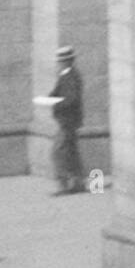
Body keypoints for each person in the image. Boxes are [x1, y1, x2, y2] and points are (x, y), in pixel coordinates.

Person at [49, 46, 85, 196]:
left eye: (63, 61)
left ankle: (64, 185)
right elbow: (57, 92)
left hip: (68, 120)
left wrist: (56, 102)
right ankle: (78, 183)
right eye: (60, 61)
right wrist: (50, 97)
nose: (60, 64)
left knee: (58, 152)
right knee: (70, 151)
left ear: (70, 61)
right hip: (66, 120)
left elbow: (71, 99)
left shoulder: (71, 77)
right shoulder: (65, 75)